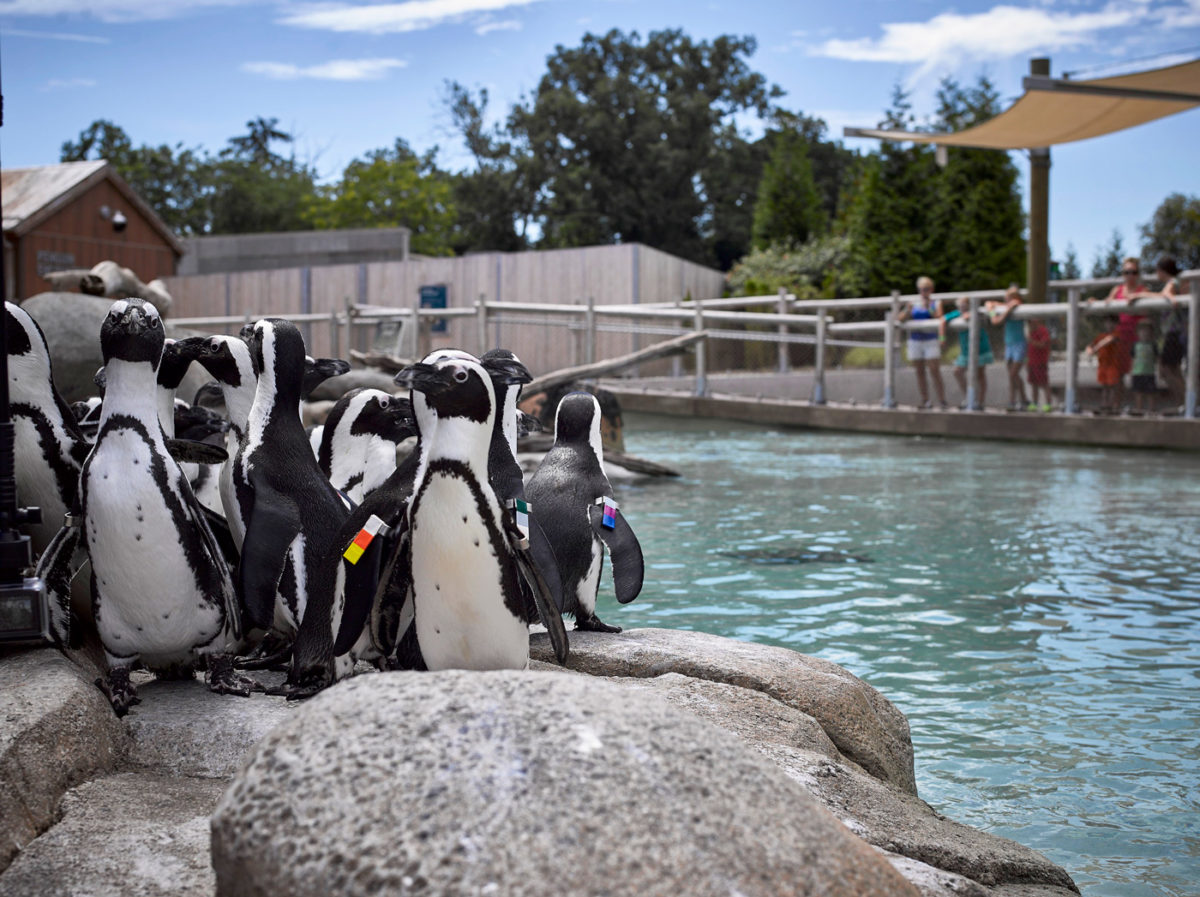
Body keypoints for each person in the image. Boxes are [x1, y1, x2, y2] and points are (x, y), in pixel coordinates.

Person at [1133, 255, 1187, 409]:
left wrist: (1140, 295)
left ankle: (1185, 401)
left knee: (1167, 370)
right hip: (1174, 333)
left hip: (1175, 333)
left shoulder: (1172, 281)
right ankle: (1184, 402)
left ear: (1163, 270)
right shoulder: (1175, 282)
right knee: (1172, 369)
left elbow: (1165, 294)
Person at [897, 275, 947, 409]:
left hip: (931, 340)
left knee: (934, 370)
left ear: (931, 289)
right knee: (920, 372)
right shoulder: (913, 303)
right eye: (921, 289)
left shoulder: (936, 302)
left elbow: (940, 317)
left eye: (926, 289)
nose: (923, 292)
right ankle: (925, 400)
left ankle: (942, 400)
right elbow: (900, 319)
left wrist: (929, 308)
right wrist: (907, 310)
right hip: (915, 341)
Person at [941, 296, 993, 409]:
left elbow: (987, 314)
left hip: (980, 349)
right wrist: (942, 338)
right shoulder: (958, 313)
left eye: (964, 305)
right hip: (966, 351)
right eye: (960, 306)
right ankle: (970, 397)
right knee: (957, 371)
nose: (962, 308)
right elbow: (944, 319)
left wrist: (971, 315)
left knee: (980, 374)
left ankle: (980, 401)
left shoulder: (977, 312)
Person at [987, 284, 1030, 410]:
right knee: (1012, 375)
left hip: (1019, 344)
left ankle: (1020, 400)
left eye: (1008, 298)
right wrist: (992, 308)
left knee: (1013, 374)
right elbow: (992, 305)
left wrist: (1003, 311)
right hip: (1009, 344)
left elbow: (996, 321)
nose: (1007, 301)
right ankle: (1016, 401)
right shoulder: (1006, 307)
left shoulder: (1016, 306)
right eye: (1006, 298)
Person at [1085, 316, 1123, 413]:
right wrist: (1089, 350)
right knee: (1105, 387)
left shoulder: (1116, 334)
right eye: (1107, 323)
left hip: (1112, 366)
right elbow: (1091, 345)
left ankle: (1113, 406)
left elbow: (1108, 341)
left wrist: (1095, 348)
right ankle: (1104, 405)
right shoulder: (1100, 336)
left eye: (1111, 323)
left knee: (1112, 387)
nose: (1109, 325)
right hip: (1103, 366)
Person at [1129, 319, 1159, 414]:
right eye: (1142, 331)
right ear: (1138, 333)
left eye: (1147, 331)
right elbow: (1132, 359)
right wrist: (1131, 371)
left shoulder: (1153, 345)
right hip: (1138, 373)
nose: (1144, 333)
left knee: (1151, 393)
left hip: (1149, 373)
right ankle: (1139, 410)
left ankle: (1151, 410)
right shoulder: (1135, 345)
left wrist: (1159, 370)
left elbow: (1157, 358)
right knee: (1138, 393)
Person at [1026, 316, 1053, 411]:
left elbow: (1044, 344)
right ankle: (1034, 403)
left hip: (1040, 362)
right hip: (1031, 362)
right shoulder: (1030, 332)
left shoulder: (1043, 331)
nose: (1030, 324)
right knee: (1034, 384)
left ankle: (1048, 404)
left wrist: (1032, 341)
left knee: (1044, 383)